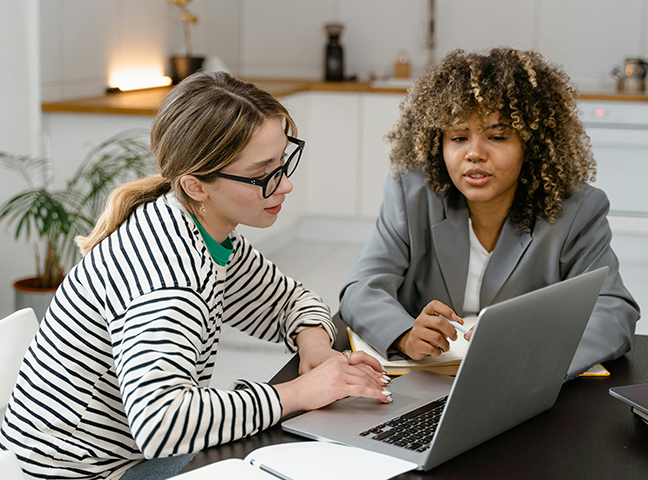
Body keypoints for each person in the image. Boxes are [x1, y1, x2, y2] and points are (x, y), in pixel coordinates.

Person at [0, 72, 392, 480]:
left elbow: (288, 300)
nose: (286, 185)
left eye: (283, 162)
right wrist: (297, 393)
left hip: (119, 457)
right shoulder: (170, 278)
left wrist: (315, 345)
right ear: (196, 185)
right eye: (263, 175)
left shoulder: (197, 229)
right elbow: (163, 424)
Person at [339, 48, 639, 380]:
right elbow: (361, 288)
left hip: (520, 391)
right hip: (422, 385)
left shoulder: (576, 209)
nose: (474, 154)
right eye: (458, 137)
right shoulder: (412, 194)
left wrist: (533, 356)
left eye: (497, 136)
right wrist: (404, 334)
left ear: (531, 144)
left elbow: (613, 312)